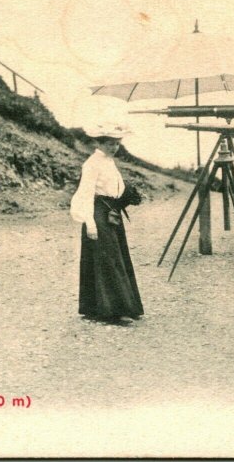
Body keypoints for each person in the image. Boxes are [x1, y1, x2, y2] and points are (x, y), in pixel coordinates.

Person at [70, 123, 143, 326]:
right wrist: (90, 224)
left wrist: (126, 195)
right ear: (100, 142)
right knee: (108, 258)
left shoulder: (108, 162)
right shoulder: (92, 164)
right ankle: (114, 310)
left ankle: (103, 307)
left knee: (116, 256)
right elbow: (85, 194)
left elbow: (113, 187)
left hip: (111, 211)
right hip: (98, 213)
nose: (114, 147)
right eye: (110, 143)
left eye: (117, 144)